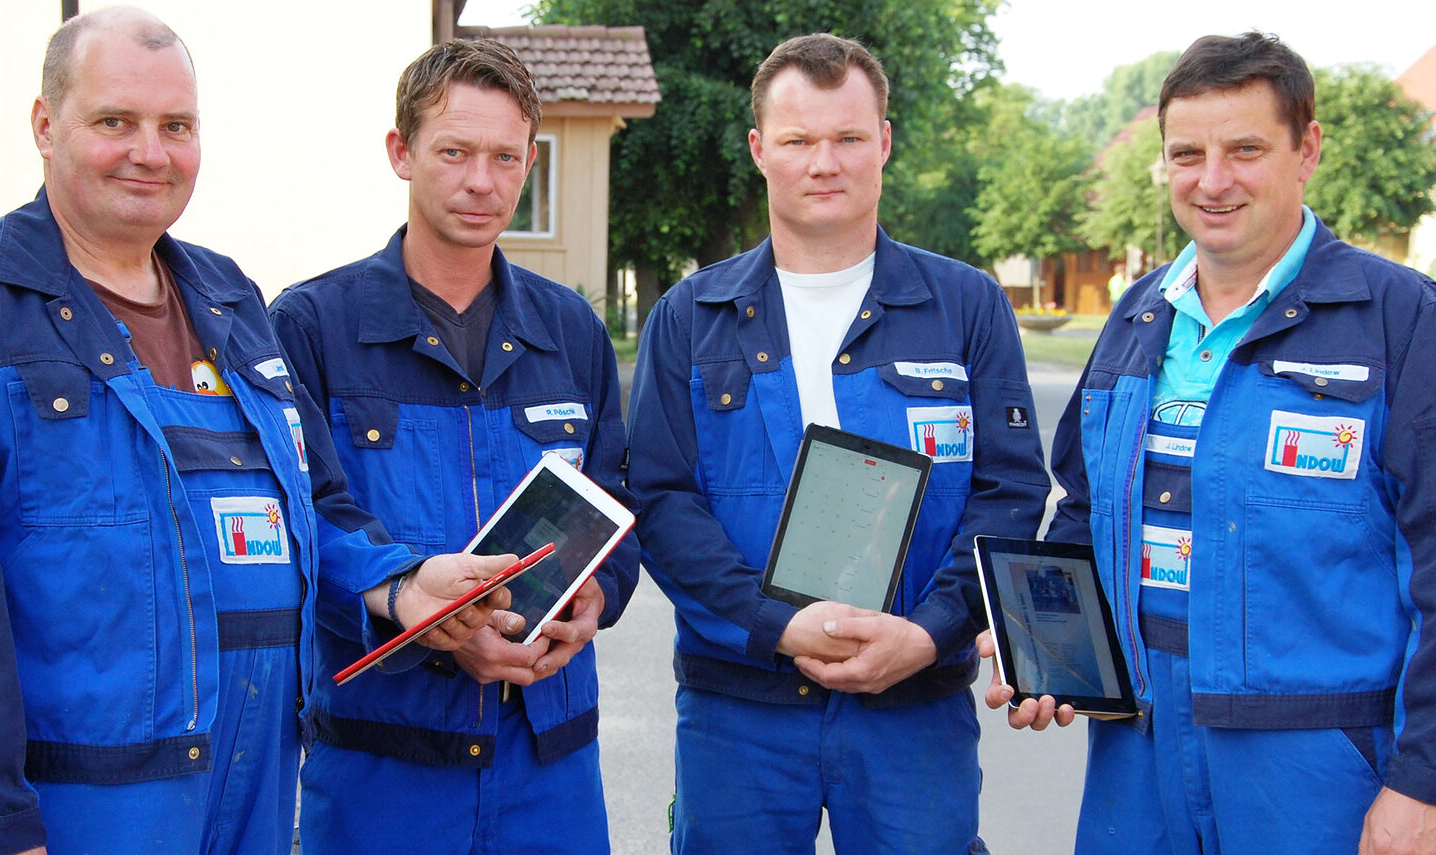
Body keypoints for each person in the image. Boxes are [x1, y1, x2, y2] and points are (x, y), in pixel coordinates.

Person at [0, 9, 516, 854]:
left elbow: (317, 502)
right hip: (86, 800)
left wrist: (400, 585)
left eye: (177, 127)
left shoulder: (228, 298)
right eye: (115, 122)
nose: (150, 152)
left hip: (258, 786)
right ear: (47, 127)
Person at [983, 32, 1436, 855]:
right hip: (1138, 745)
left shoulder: (1401, 321)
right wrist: (1045, 645)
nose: (1213, 180)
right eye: (1187, 153)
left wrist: (1422, 781)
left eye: (1246, 149)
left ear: (1308, 151)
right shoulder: (1136, 316)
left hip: (1318, 762)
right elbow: (1084, 509)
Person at [627, 33, 1049, 855]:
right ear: (759, 150)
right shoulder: (690, 315)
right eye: (798, 140)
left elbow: (1010, 494)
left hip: (915, 708)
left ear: (884, 141)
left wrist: (928, 631)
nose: (825, 162)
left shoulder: (967, 306)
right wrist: (775, 623)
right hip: (737, 711)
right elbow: (662, 501)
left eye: (849, 137)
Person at [269, 38, 639, 855]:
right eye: (455, 152)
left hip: (552, 770)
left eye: (507, 156)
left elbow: (617, 504)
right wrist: (404, 590)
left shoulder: (571, 330)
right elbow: (297, 522)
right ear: (401, 153)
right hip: (384, 767)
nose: (483, 181)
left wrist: (593, 602)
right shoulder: (311, 325)